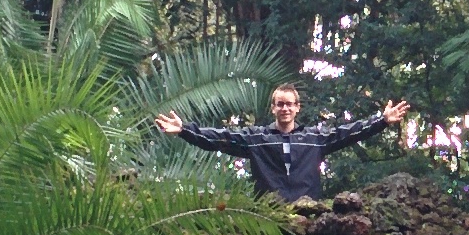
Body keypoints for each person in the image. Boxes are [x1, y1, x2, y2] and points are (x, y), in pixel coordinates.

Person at [156, 85, 409, 203]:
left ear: (297, 108)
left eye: (289, 103)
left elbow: (348, 133)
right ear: (273, 108)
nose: (285, 108)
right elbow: (221, 138)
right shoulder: (257, 140)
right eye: (280, 104)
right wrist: (184, 130)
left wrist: (382, 121)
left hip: (308, 210)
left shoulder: (313, 139)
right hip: (269, 213)